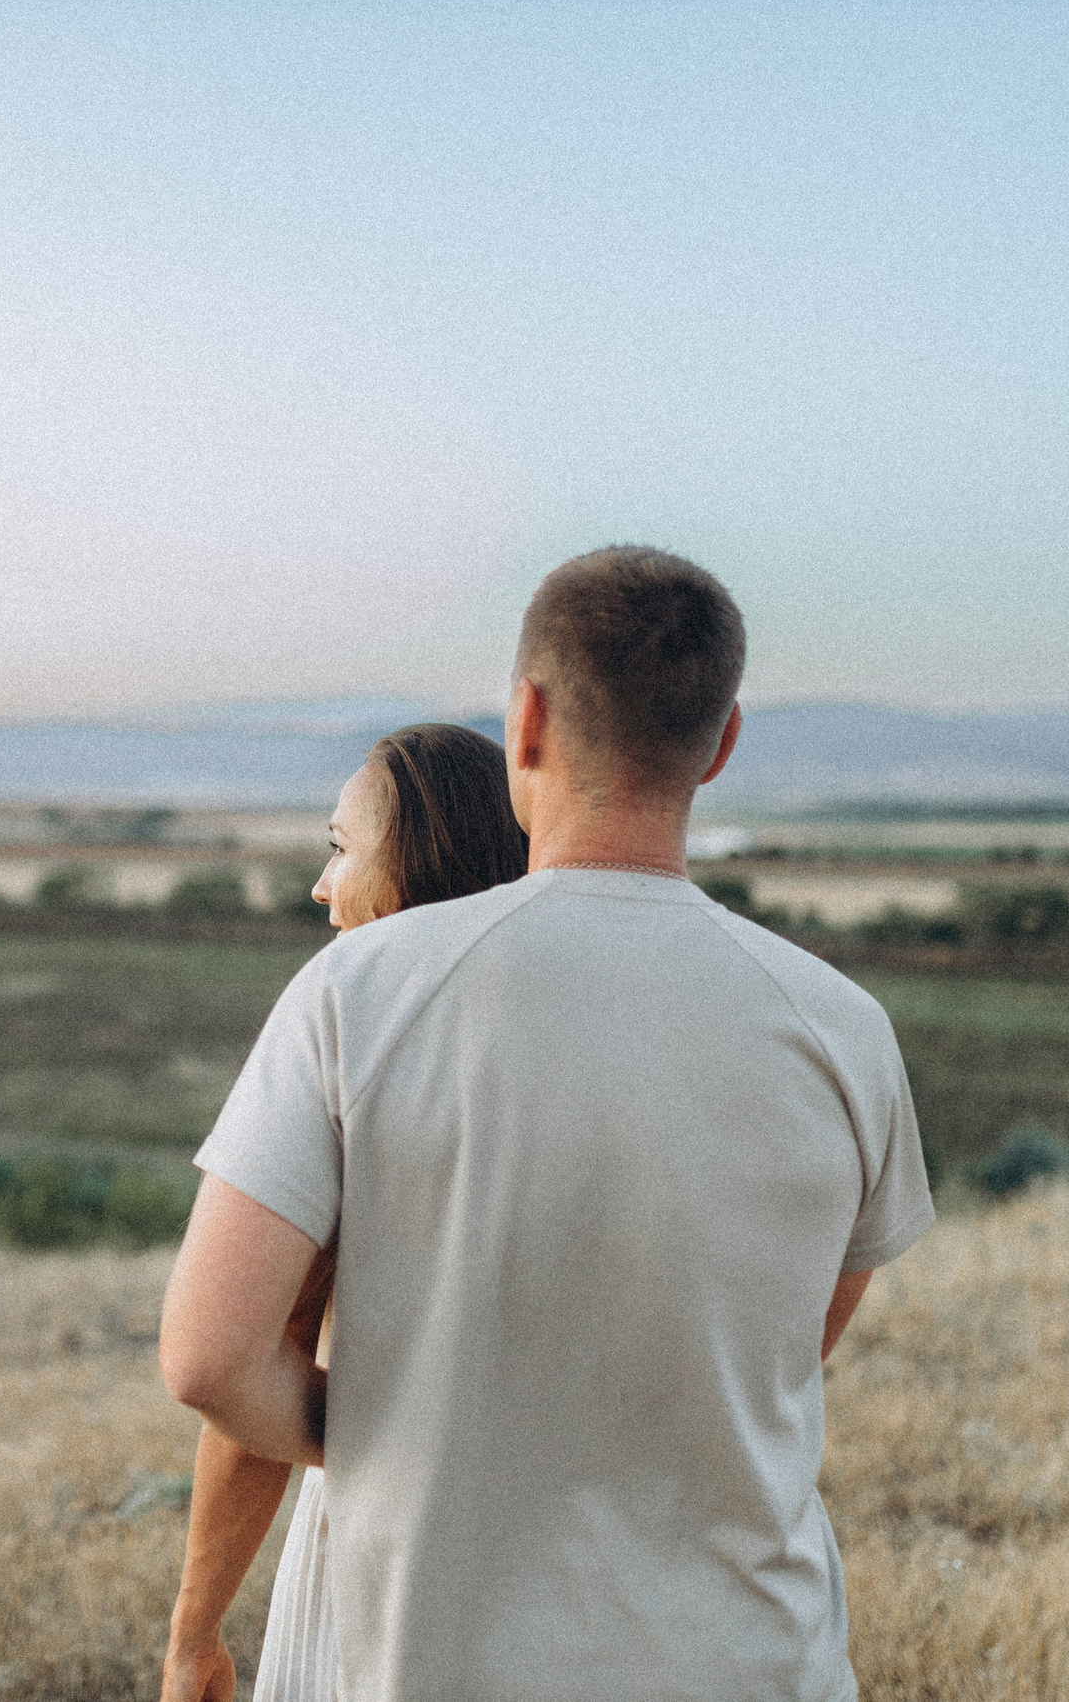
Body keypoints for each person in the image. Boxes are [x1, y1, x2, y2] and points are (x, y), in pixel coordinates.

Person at [161, 547, 934, 1702]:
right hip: (758, 1667)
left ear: (524, 720)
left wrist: (387, 1417)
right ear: (720, 745)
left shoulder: (360, 993)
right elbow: (789, 1348)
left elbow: (209, 1358)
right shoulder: (844, 1029)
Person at [161, 722, 529, 1702]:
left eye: (340, 847)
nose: (322, 886)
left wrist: (193, 1634)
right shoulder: (590, 1034)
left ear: (422, 858)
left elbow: (239, 1355)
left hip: (385, 1553)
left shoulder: (352, 1018)